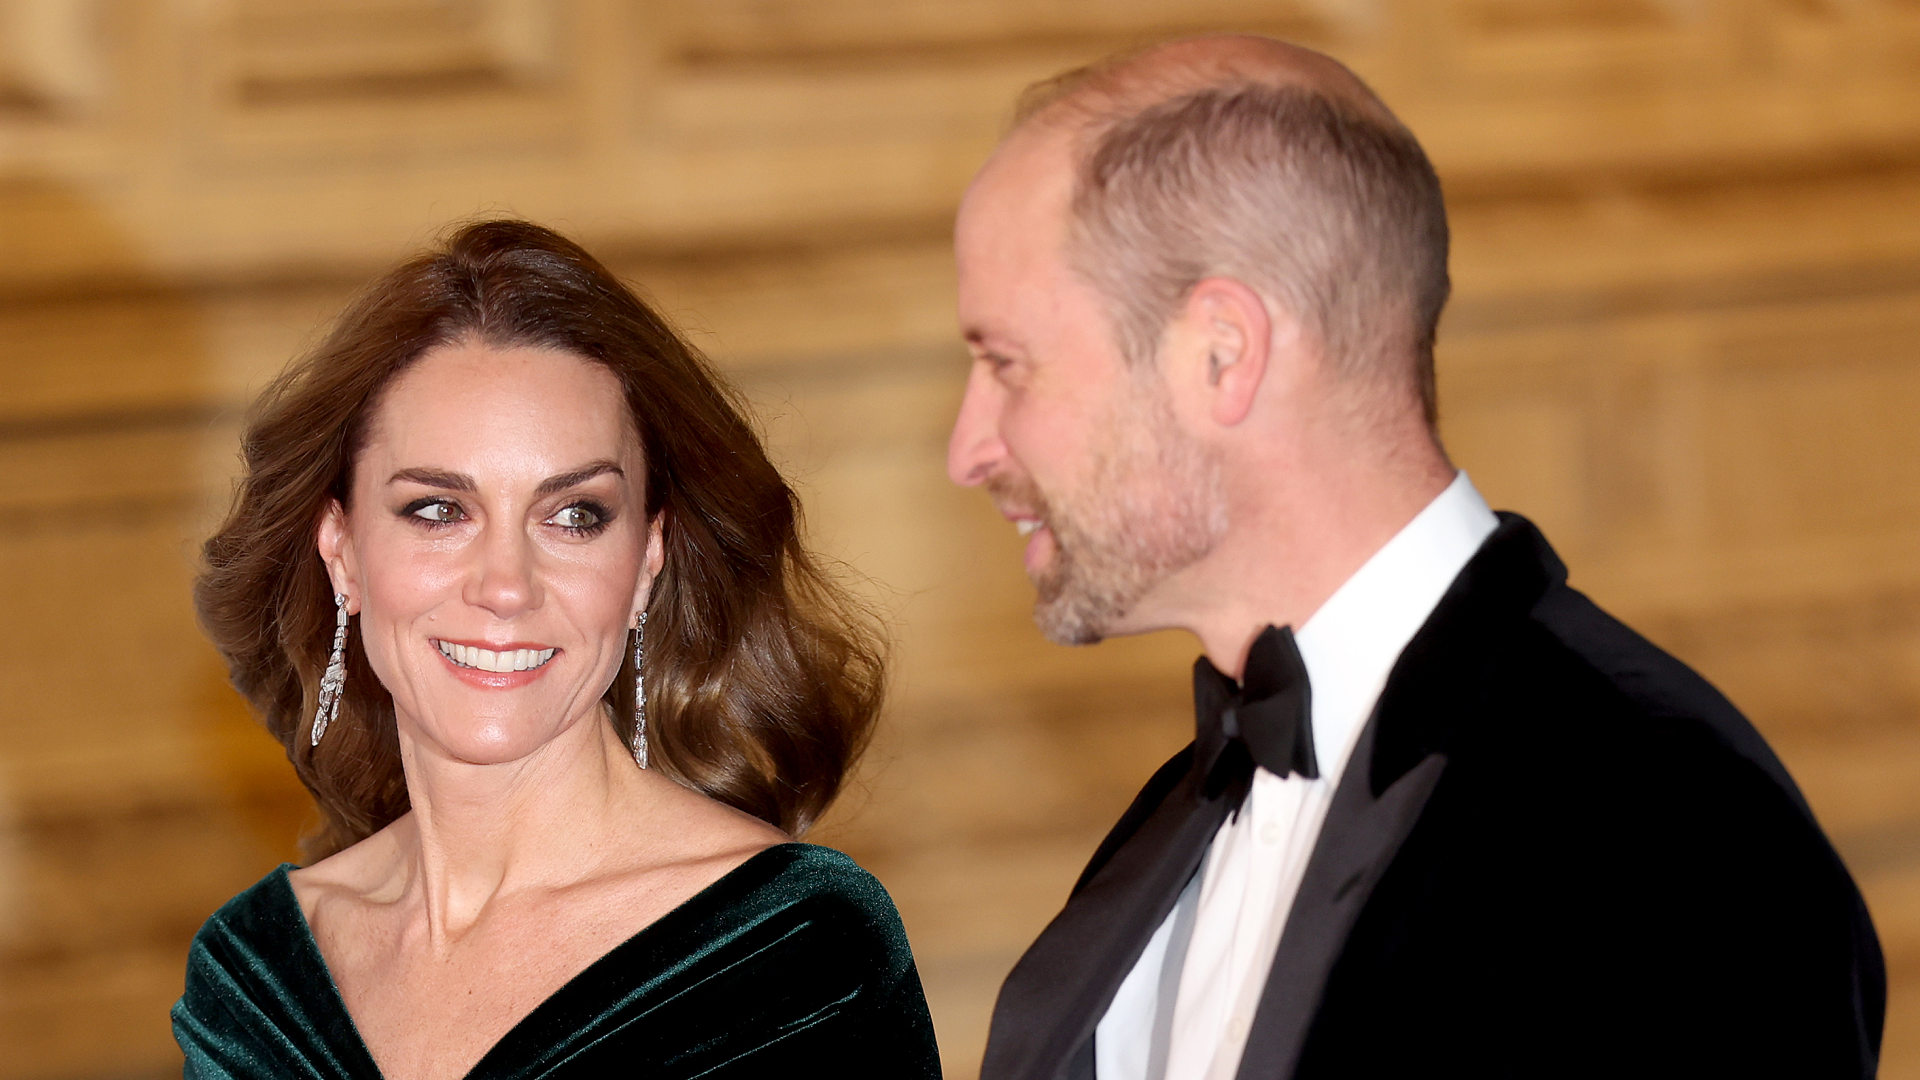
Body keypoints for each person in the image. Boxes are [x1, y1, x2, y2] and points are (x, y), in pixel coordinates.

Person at [947, 34, 1884, 1080]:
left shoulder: (1674, 831)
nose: (967, 448)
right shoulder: (1176, 823)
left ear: (1222, 352)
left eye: (1006, 365)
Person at [174, 220, 942, 1079]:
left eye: (574, 515)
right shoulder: (255, 982)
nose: (506, 586)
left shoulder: (794, 956)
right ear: (341, 550)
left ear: (648, 557)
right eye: (438, 510)